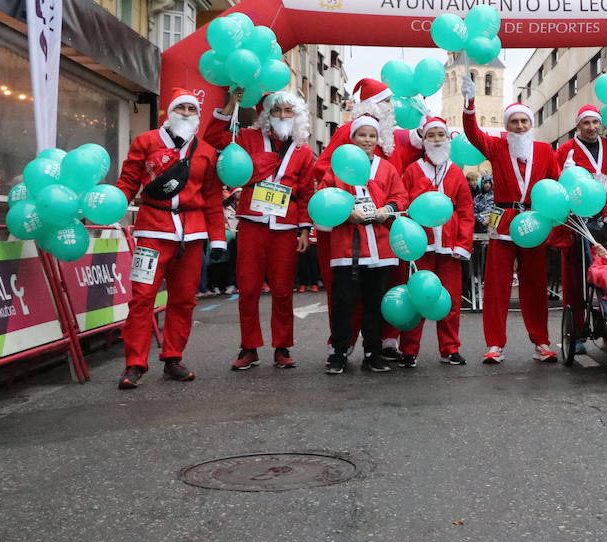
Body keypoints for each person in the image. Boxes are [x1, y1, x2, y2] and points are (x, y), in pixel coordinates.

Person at [114, 89, 227, 390]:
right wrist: (111, 207)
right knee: (142, 298)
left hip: (191, 235)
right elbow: (128, 181)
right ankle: (134, 363)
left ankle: (173, 358)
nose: (187, 113)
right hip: (152, 232)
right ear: (169, 112)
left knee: (184, 300)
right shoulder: (146, 142)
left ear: (198, 115)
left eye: (192, 108)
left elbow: (213, 198)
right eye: (182, 107)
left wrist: (217, 238)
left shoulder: (206, 151)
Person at [205, 88, 317, 371]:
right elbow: (213, 138)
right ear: (266, 114)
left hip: (285, 225)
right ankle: (249, 347)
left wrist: (304, 230)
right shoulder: (247, 138)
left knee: (282, 290)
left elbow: (305, 193)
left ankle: (282, 346)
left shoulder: (304, 151)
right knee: (249, 287)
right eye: (276, 110)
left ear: (297, 115)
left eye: (287, 111)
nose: (282, 115)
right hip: (253, 222)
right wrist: (232, 103)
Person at [462, 75, 562, 364]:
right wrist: (470, 104)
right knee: (496, 286)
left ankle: (541, 342)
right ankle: (495, 344)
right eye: (513, 122)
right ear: (506, 127)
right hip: (503, 218)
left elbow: (554, 184)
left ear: (531, 125)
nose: (519, 126)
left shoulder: (544, 150)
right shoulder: (496, 147)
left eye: (523, 121)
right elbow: (473, 133)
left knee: (534, 285)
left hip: (534, 222)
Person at [318, 114, 409, 375]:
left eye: (372, 135)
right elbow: (324, 198)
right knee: (343, 302)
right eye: (362, 135)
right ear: (353, 138)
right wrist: (346, 213)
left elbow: (401, 197)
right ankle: (339, 352)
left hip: (380, 247)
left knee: (374, 302)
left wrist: (387, 209)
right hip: (347, 247)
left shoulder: (387, 168)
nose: (367, 140)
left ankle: (373, 352)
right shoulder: (337, 168)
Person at [399, 116, 473, 368]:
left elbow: (465, 210)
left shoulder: (456, 171)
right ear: (424, 140)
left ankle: (450, 348)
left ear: (448, 138)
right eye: (431, 135)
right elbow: (403, 206)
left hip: (450, 247)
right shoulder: (412, 170)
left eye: (441, 135)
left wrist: (463, 244)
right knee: (417, 297)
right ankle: (408, 350)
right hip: (421, 245)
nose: (437, 140)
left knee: (450, 300)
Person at [557, 104, 607, 351]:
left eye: (595, 123)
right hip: (577, 221)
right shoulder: (566, 149)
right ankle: (577, 333)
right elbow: (558, 182)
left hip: (606, 221)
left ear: (600, 124)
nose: (591, 127)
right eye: (586, 123)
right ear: (577, 125)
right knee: (577, 278)